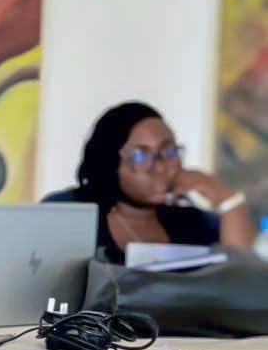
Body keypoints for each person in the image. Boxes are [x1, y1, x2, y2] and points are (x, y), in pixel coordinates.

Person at [43, 101, 257, 264]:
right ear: (110, 163)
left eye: (169, 151)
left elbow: (239, 275)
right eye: (140, 155)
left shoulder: (191, 222)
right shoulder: (70, 211)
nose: (160, 166)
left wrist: (228, 200)